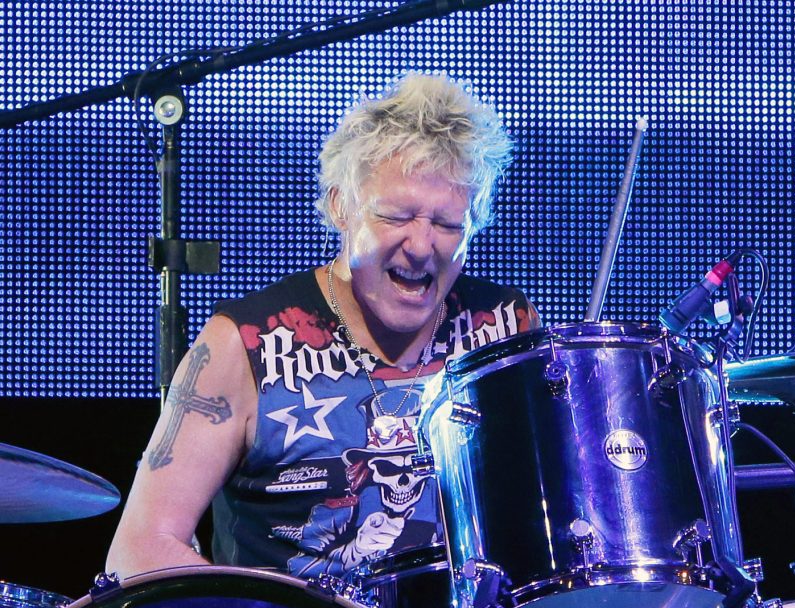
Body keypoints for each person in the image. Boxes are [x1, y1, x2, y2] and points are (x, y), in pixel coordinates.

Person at [106, 72, 540, 579]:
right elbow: (140, 552)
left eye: (447, 224)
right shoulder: (242, 344)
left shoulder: (505, 327)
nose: (422, 246)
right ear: (340, 206)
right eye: (396, 216)